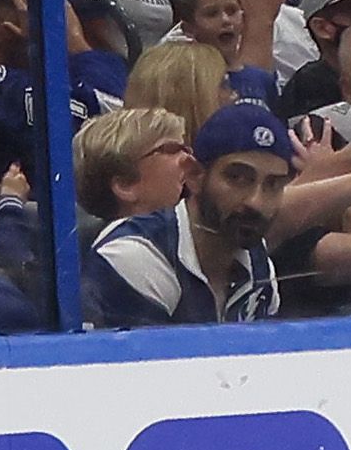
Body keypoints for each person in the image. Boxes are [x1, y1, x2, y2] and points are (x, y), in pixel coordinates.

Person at [93, 100, 298, 324]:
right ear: (194, 175)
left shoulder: (258, 263)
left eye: (273, 185)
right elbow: (146, 358)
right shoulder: (135, 254)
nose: (255, 202)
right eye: (238, 178)